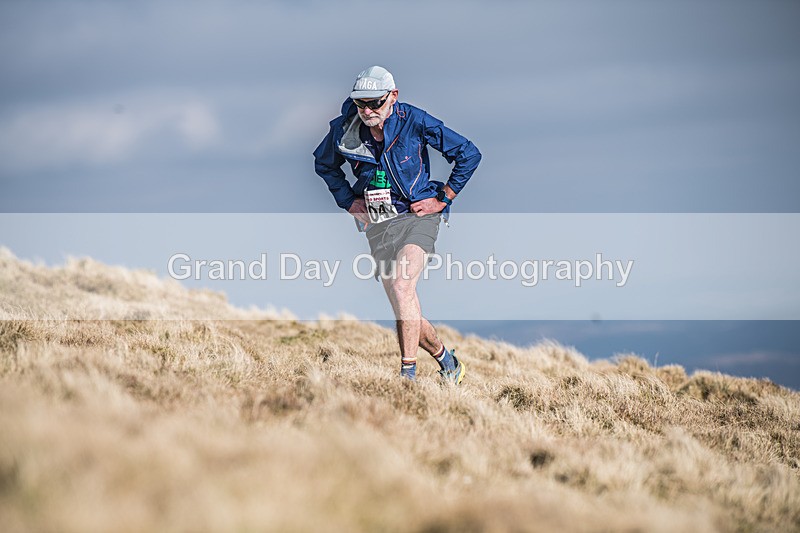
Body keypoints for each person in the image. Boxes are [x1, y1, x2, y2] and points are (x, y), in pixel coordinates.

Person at [313, 65, 481, 383]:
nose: (367, 111)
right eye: (361, 104)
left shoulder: (414, 120)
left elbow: (468, 153)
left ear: (393, 96)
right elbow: (324, 164)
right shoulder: (344, 128)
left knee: (403, 285)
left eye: (375, 103)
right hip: (378, 223)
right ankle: (449, 363)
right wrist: (348, 201)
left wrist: (443, 198)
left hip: (419, 217)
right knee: (405, 305)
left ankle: (407, 378)